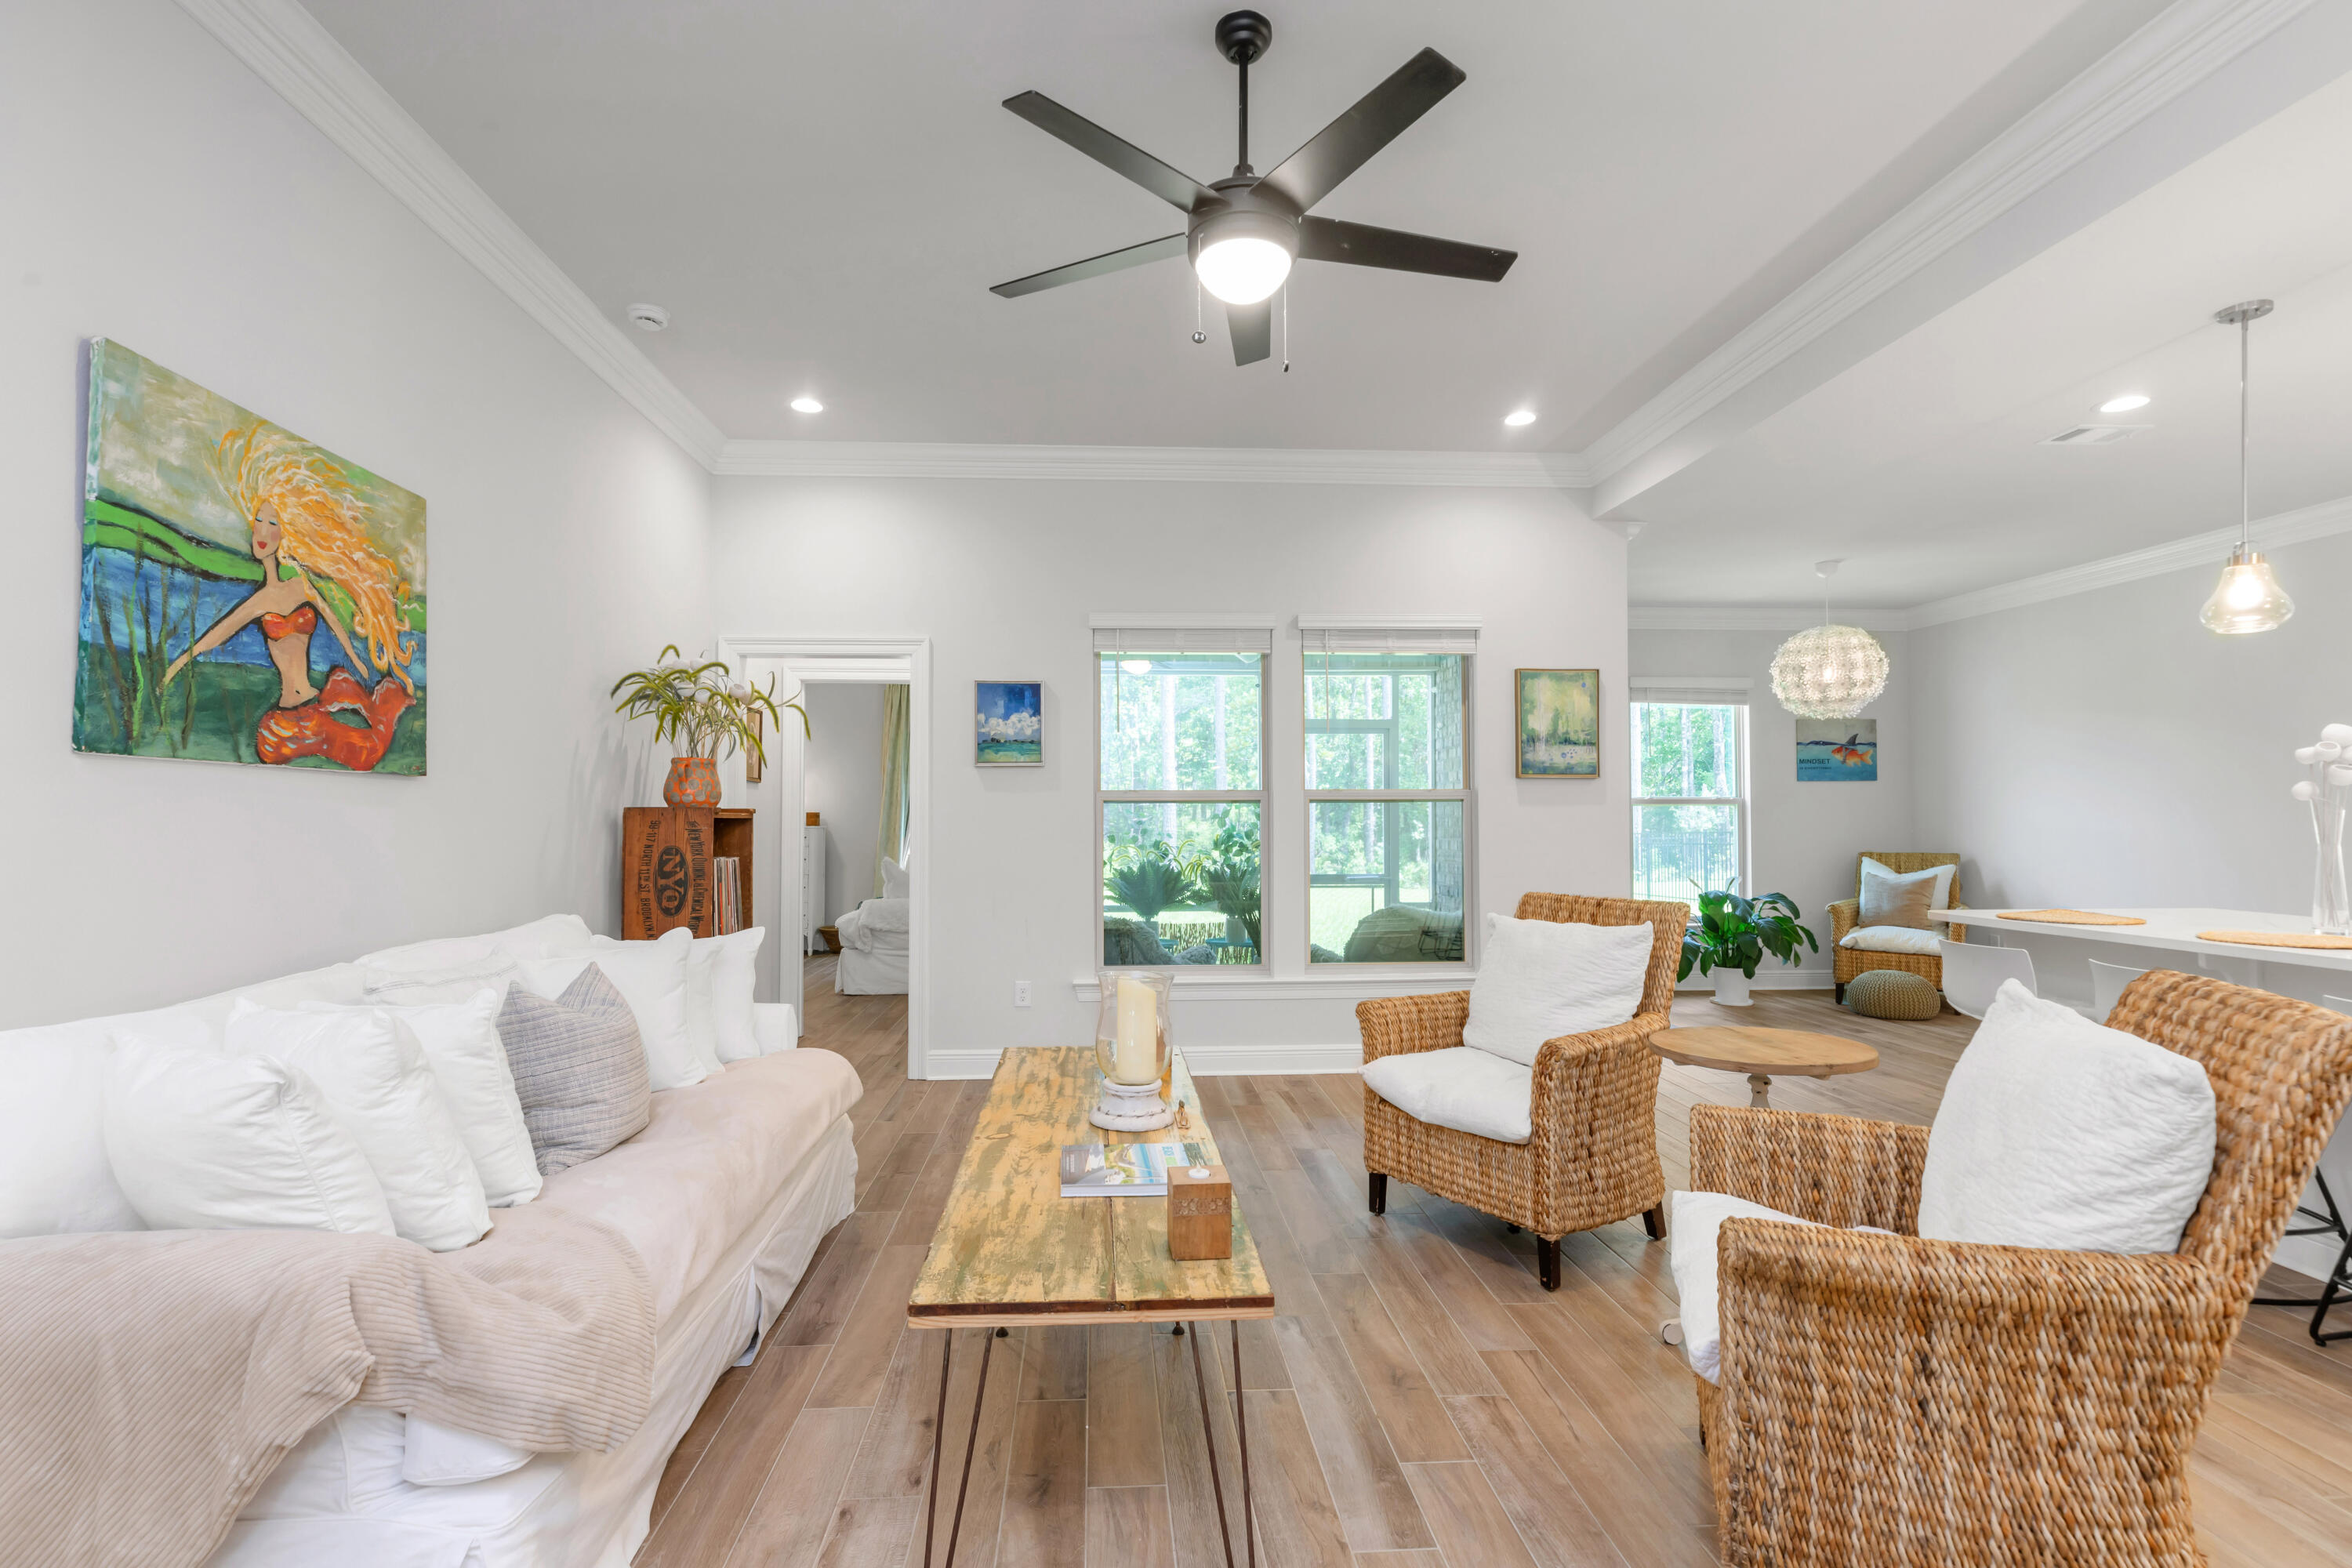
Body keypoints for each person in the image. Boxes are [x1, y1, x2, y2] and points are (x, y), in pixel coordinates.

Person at [164, 424, 417, 770]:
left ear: (286, 533)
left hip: (314, 704)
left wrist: (359, 665)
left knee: (367, 752)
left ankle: (362, 700)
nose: (263, 531)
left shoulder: (302, 587)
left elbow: (336, 626)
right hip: (286, 715)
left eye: (274, 522)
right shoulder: (258, 602)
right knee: (332, 750)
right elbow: (212, 639)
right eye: (259, 520)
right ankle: (352, 700)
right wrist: (174, 667)